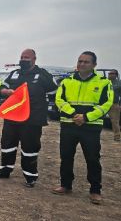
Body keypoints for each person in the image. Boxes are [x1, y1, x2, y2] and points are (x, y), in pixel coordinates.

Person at [0, 49, 58, 188]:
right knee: (7, 144)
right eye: (21, 57)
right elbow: (2, 87)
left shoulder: (42, 74)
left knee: (30, 147)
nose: (23, 59)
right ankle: (5, 170)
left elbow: (54, 92)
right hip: (12, 117)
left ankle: (30, 176)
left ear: (34, 59)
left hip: (32, 119)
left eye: (26, 57)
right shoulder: (15, 73)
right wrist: (6, 91)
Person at [52, 51, 113, 205]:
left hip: (91, 127)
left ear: (94, 65)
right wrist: (73, 114)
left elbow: (106, 104)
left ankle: (95, 190)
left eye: (86, 62)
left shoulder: (104, 83)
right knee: (66, 156)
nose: (82, 64)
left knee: (92, 158)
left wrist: (86, 117)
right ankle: (66, 185)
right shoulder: (67, 81)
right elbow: (59, 100)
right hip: (69, 124)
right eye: (80, 61)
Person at [107, 69, 121, 141]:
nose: (110, 75)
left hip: (114, 105)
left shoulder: (119, 83)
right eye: (109, 73)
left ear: (116, 75)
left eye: (112, 73)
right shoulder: (105, 82)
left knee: (115, 121)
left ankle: (117, 136)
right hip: (103, 104)